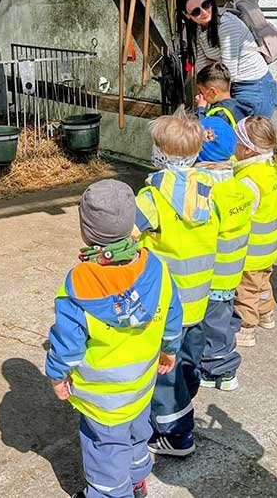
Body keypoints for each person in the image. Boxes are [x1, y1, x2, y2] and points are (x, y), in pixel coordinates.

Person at [46, 179, 184, 498]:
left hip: (103, 399)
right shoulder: (157, 269)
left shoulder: (79, 285)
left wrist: (57, 374)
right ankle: (137, 482)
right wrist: (170, 349)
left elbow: (68, 343)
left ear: (85, 232)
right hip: (141, 386)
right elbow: (173, 316)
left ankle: (110, 493)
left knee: (104, 449)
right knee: (137, 433)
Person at [134, 110, 219, 457]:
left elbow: (128, 236)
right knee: (187, 359)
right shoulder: (210, 190)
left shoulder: (151, 197)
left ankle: (176, 433)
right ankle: (188, 390)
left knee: (165, 370)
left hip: (166, 302)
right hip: (199, 297)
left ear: (160, 152)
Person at [194, 116, 255, 391]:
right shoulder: (240, 188)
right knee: (223, 316)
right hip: (232, 270)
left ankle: (221, 370)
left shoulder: (205, 193)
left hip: (211, 274)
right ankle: (220, 360)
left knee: (213, 326)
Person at [176, 0, 277, 118]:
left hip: (253, 88)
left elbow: (228, 72)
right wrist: (206, 94)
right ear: (187, 15)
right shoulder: (195, 29)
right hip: (229, 86)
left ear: (210, 0)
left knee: (250, 137)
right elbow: (203, 69)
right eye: (196, 11)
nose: (204, 12)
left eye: (206, 5)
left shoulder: (226, 24)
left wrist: (209, 102)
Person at [232, 116, 277, 348]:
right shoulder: (274, 168)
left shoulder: (248, 180)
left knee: (245, 289)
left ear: (246, 150)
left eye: (236, 142)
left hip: (250, 250)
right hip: (270, 245)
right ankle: (267, 314)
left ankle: (246, 328)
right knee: (263, 282)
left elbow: (241, 214)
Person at [194, 62, 252, 128]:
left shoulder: (221, 114)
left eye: (201, 91)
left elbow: (203, 133)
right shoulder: (237, 106)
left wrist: (200, 109)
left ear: (213, 91)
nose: (198, 96)